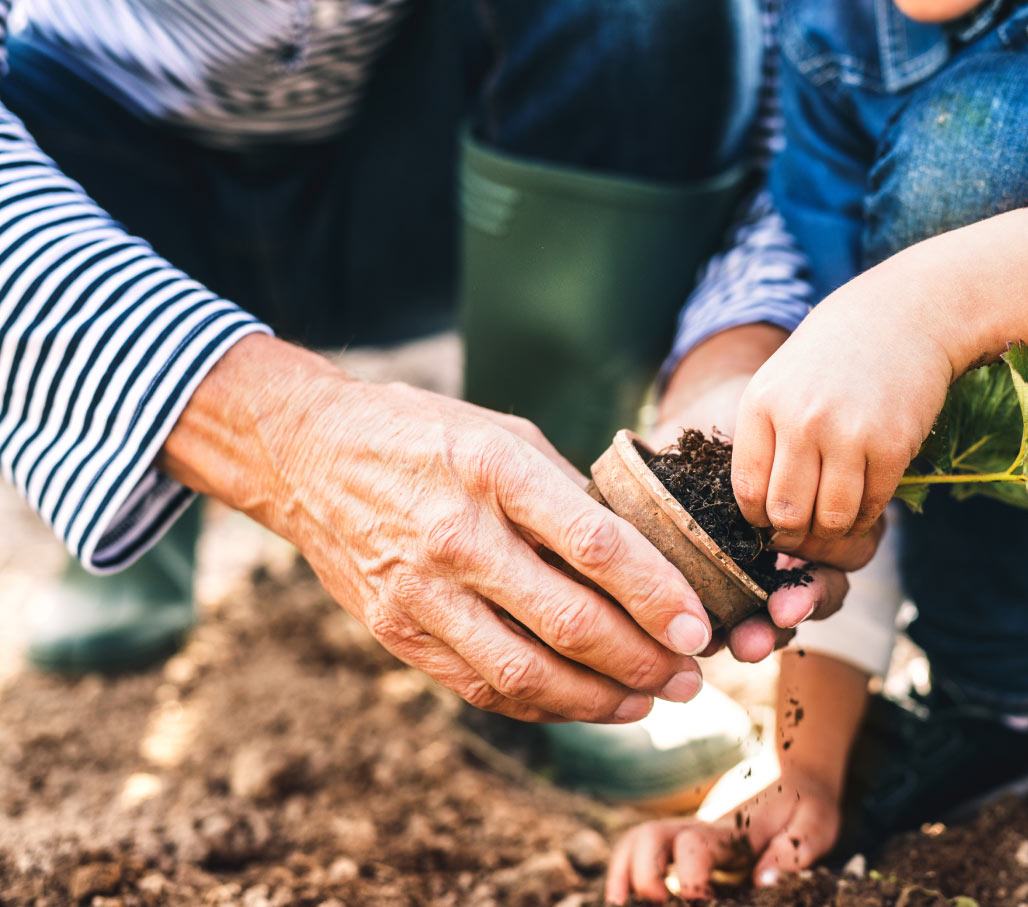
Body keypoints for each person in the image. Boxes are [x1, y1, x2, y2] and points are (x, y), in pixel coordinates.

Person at [0, 0, 859, 727]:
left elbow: (790, 71)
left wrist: (736, 347)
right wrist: (286, 434)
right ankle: (129, 488)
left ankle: (561, 574)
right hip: (92, 163)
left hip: (421, 170)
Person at [605, 0, 1028, 899]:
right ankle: (988, 703)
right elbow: (846, 419)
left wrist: (935, 303)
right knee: (988, 134)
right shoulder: (833, 48)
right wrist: (806, 762)